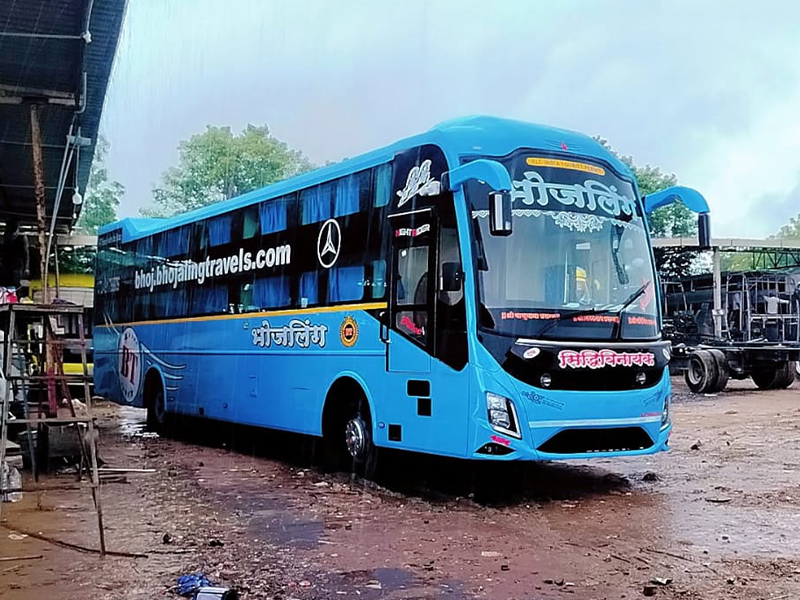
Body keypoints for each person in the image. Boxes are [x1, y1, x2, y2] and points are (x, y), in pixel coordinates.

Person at [1, 217, 30, 294]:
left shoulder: (21, 237)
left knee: (15, 285)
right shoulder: (6, 237)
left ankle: (15, 297)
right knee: (6, 285)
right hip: (7, 265)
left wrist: (26, 268)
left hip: (16, 266)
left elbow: (26, 254)